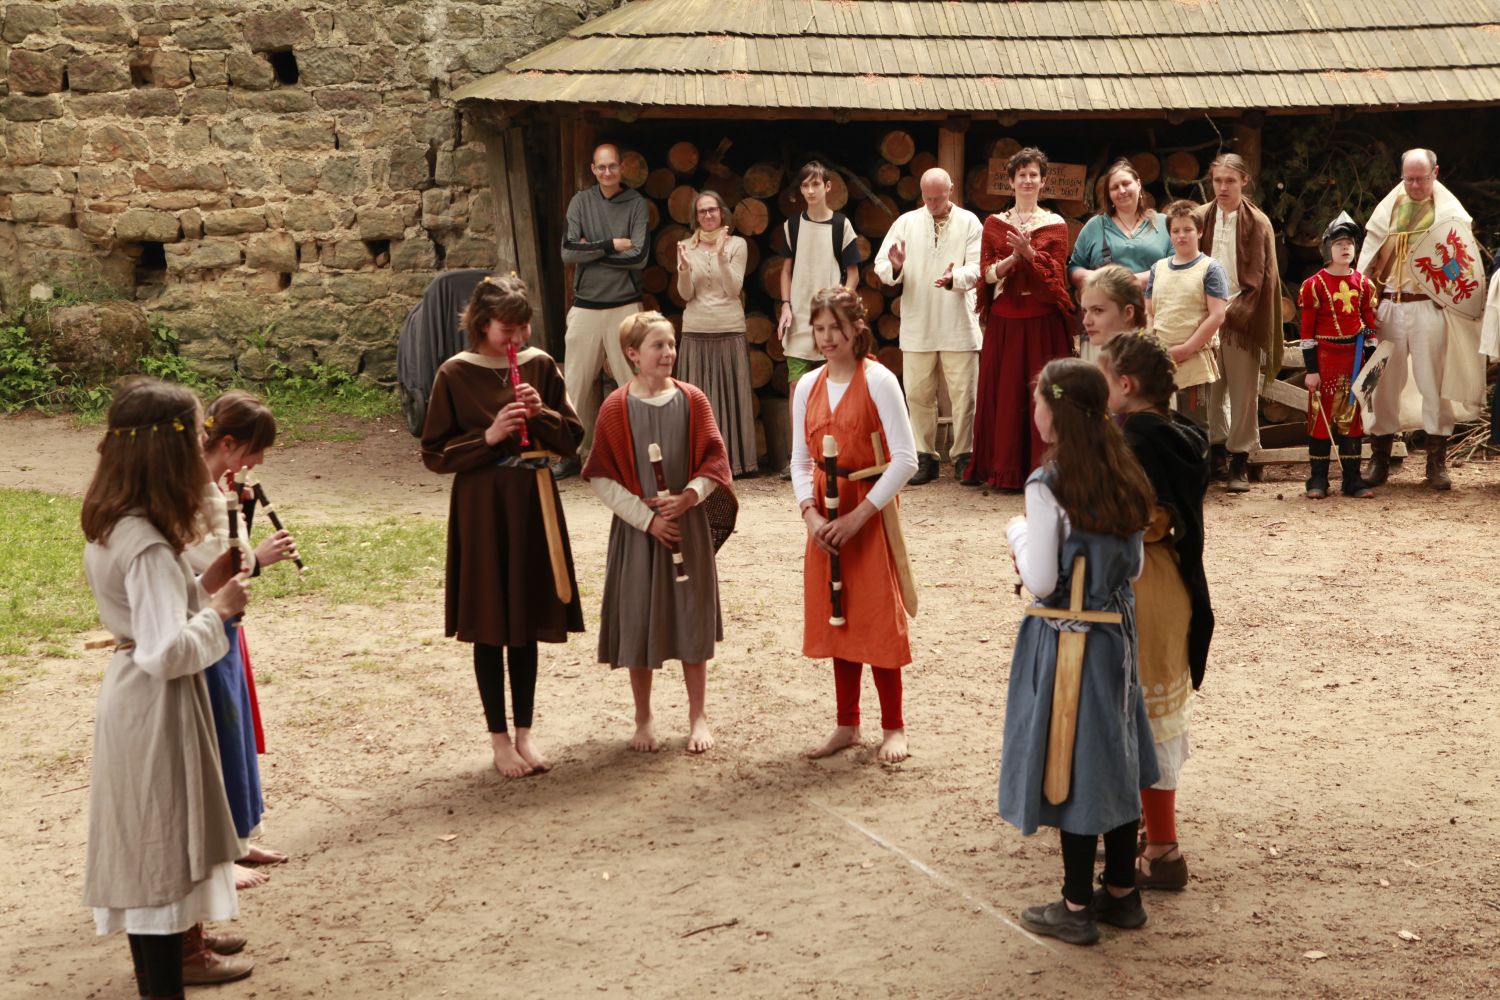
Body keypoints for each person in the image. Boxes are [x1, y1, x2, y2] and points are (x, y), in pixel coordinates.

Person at [81, 377, 255, 997]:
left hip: (133, 702)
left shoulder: (117, 523)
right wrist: (221, 609)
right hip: (155, 710)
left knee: (147, 857)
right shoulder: (148, 545)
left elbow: (149, 618)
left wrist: (201, 587)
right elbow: (165, 652)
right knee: (160, 863)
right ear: (170, 451)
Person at [999, 358, 1158, 946]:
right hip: (1116, 636)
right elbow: (1133, 567)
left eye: (1038, 401)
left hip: (1072, 641)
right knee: (1115, 754)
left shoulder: (1048, 484)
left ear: (1056, 411)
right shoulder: (1124, 470)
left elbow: (1042, 580)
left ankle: (1074, 904)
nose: (1034, 411)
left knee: (1072, 761)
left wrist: (1017, 533)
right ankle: (1121, 891)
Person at [421, 275, 585, 778]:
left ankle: (526, 734)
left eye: (522, 328)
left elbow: (571, 439)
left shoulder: (541, 365)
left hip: (533, 500)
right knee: (492, 623)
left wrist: (542, 414)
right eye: (506, 331)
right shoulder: (454, 373)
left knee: (526, 620)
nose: (516, 339)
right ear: (481, 324)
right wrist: (490, 436)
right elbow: (434, 454)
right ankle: (499, 740)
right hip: (483, 506)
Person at [584, 312, 736, 753]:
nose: (668, 352)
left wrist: (689, 497)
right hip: (639, 533)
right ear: (632, 354)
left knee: (692, 618)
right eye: (658, 345)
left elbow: (715, 462)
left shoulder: (692, 400)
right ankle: (643, 718)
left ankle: (698, 716)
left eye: (671, 343)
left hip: (686, 527)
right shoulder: (616, 407)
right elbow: (601, 475)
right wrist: (647, 519)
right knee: (639, 617)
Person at [1097, 330, 1215, 893]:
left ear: (1125, 384)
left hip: (1146, 586)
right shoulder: (1176, 431)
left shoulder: (1137, 440)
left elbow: (1143, 517)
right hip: (1171, 582)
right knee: (1149, 715)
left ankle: (1163, 850)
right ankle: (1149, 831)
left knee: (1145, 719)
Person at [793, 287, 918, 764]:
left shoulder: (880, 380)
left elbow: (906, 460)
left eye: (836, 328)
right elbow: (799, 460)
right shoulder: (807, 385)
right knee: (838, 614)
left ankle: (894, 726)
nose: (827, 338)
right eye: (819, 329)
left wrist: (859, 516)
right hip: (825, 516)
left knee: (877, 614)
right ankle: (847, 724)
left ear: (856, 329)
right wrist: (810, 515)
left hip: (869, 510)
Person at [1358, 148, 1487, 491]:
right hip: (1388, 305)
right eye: (1409, 179)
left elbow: (1461, 266)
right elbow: (1368, 260)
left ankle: (1435, 462)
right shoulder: (1387, 211)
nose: (1415, 185)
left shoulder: (1450, 215)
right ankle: (1379, 458)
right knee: (1383, 382)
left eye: (1421, 179)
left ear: (1435, 173)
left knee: (1434, 381)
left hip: (1429, 306)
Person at [972, 147, 1075, 490]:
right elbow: (987, 274)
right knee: (1006, 395)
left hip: (1043, 320)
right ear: (1011, 181)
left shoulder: (1056, 225)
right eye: (1022, 175)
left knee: (1042, 392)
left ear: (1043, 182)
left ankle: (1044, 467)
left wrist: (1030, 254)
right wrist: (1013, 259)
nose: (1027, 180)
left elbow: (1056, 276)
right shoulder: (994, 224)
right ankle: (1004, 469)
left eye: (1034, 175)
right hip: (1006, 320)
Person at [872, 167, 983, 485]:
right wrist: (895, 267)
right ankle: (924, 455)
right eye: (927, 198)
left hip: (957, 320)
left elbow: (979, 267)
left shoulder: (970, 222)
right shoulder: (905, 223)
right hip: (918, 321)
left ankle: (964, 455)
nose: (932, 203)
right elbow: (881, 264)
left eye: (938, 197)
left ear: (951, 190)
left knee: (965, 394)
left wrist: (954, 277)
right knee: (918, 394)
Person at [557, 142, 649, 479]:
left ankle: (642, 456)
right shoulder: (580, 201)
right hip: (585, 306)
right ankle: (569, 454)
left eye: (612, 166)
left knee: (634, 383)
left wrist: (592, 251)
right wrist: (611, 245)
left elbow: (639, 257)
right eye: (601, 167)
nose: (607, 172)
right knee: (575, 384)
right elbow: (568, 253)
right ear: (593, 170)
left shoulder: (636, 203)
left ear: (622, 168)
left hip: (625, 305)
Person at [1196, 153, 1282, 493]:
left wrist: (1232, 312)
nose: (1223, 187)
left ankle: (1240, 459)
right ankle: (1216, 452)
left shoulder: (1258, 223)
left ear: (1244, 181)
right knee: (1210, 389)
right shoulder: (1201, 217)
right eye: (1217, 180)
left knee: (1243, 391)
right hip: (1204, 315)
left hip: (1242, 315)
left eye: (1230, 180)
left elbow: (1264, 277)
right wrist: (1206, 312)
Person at [777, 161, 862, 477]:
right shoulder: (793, 226)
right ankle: (798, 458)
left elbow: (853, 274)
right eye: (805, 185)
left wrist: (840, 305)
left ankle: (832, 455)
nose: (810, 191)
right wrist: (786, 305)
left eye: (816, 184)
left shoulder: (841, 225)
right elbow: (786, 271)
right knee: (796, 387)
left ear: (828, 187)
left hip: (830, 320)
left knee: (834, 386)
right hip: (800, 317)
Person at [675, 190, 758, 477]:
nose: (708, 215)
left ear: (722, 212)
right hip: (695, 330)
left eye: (712, 209)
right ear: (695, 217)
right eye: (702, 211)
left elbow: (733, 289)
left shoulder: (737, 244)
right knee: (698, 400)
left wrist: (721, 257)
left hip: (729, 328)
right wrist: (683, 269)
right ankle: (699, 463)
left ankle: (735, 462)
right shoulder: (686, 246)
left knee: (732, 400)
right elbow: (686, 294)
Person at [1298, 215, 1380, 499]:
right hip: (1325, 362)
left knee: (1352, 421)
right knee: (1321, 420)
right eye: (1339, 243)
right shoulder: (1314, 285)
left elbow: (1370, 328)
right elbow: (1307, 333)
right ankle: (1318, 479)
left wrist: (1369, 365)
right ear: (1327, 249)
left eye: (1350, 244)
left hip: (1354, 360)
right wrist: (1311, 370)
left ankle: (1353, 479)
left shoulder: (1364, 284)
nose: (1346, 248)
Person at [1068, 159, 1173, 361]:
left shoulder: (1163, 223)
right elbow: (1074, 268)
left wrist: (1135, 281)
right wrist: (1096, 278)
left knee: (1144, 375)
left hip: (1154, 318)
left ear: (1138, 184)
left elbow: (1176, 266)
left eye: (1126, 184)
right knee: (1102, 376)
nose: (1122, 190)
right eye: (1115, 187)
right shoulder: (1095, 226)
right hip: (1103, 322)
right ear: (1109, 195)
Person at [1145, 201, 1229, 432]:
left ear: (1199, 232)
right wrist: (1154, 346)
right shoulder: (1158, 269)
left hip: (1194, 362)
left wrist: (1185, 349)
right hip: (1161, 362)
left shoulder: (1210, 269)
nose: (1181, 235)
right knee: (1162, 427)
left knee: (1194, 428)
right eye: (1176, 230)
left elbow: (1217, 316)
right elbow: (1149, 312)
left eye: (1188, 229)